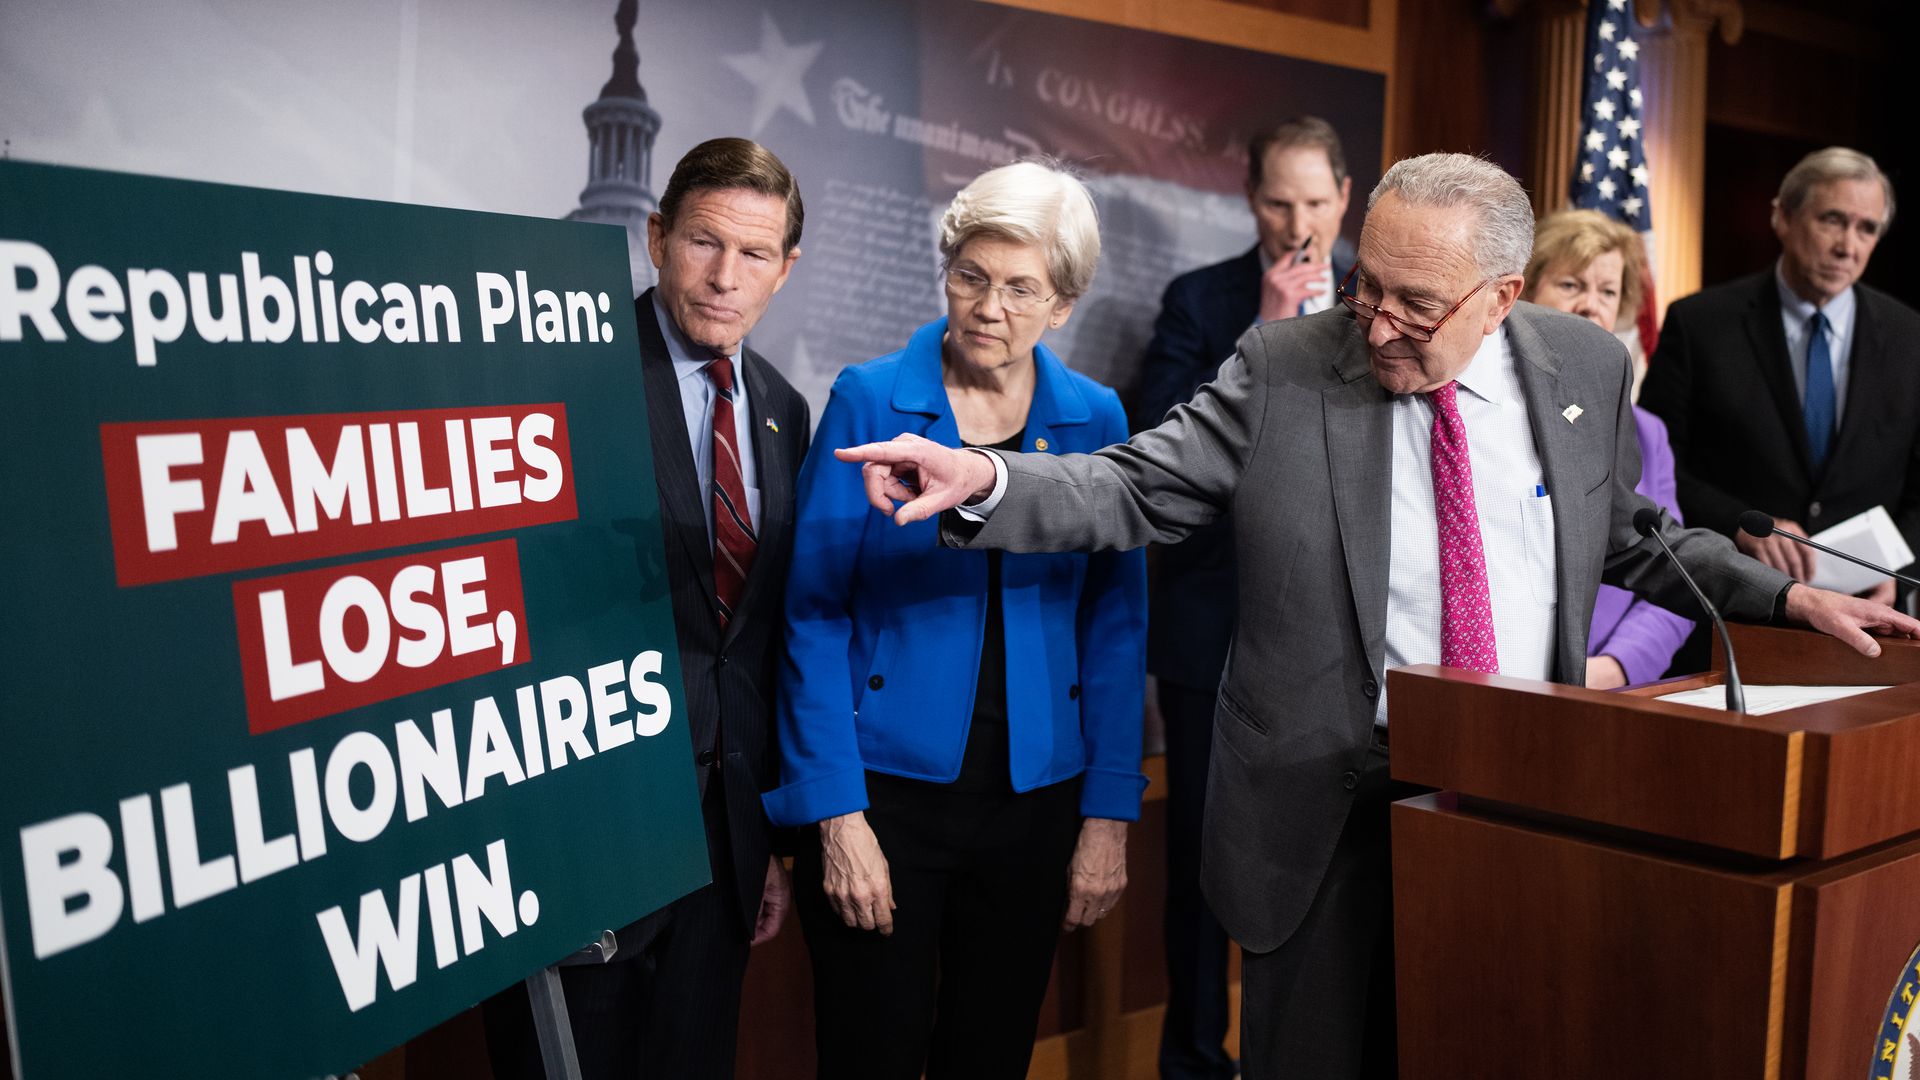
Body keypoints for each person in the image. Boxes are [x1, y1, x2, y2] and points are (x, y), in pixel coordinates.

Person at [832, 153, 1919, 1080]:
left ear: (1502, 296)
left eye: (1417, 304)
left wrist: (1780, 592)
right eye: (1368, 287)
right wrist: (983, 478)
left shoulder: (1584, 365)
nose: (1380, 323)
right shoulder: (1290, 364)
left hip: (1517, 795)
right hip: (1325, 804)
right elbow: (1130, 485)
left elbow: (1629, 531)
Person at [763, 160, 1148, 1080]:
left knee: (992, 1055)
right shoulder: (868, 396)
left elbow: (1117, 625)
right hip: (883, 799)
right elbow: (810, 612)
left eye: (1022, 288)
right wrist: (835, 815)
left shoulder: (1096, 418)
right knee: (871, 1056)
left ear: (1063, 305)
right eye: (971, 275)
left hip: (1036, 804)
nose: (988, 306)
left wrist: (1108, 812)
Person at [483, 136, 813, 1080]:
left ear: (785, 270)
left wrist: (769, 842)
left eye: (754, 255)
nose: (724, 276)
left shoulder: (786, 410)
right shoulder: (564, 381)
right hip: (584, 824)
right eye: (704, 242)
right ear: (658, 235)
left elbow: (752, 645)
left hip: (722, 842)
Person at [1132, 116, 1356, 1080]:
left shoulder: (1380, 302)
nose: (1296, 220)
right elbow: (1153, 446)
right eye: (1277, 201)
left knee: (1326, 858)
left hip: (1341, 627)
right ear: (1248, 196)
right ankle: (1191, 1061)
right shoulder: (1201, 298)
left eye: (1314, 201)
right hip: (1209, 624)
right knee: (1198, 859)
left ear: (1345, 196)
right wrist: (1256, 332)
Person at [1642, 147, 1920, 675]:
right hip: (1735, 614)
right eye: (1832, 220)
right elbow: (1657, 464)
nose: (1847, 246)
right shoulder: (1701, 324)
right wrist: (1738, 525)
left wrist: (1898, 568)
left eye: (1866, 229)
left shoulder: (1912, 337)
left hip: (1870, 621)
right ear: (1783, 217)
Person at [1523, 209, 1692, 688]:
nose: (1591, 306)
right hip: (1503, 680)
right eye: (1572, 285)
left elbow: (1671, 575)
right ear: (1523, 291)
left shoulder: (1646, 433)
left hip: (1608, 691)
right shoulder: (1485, 412)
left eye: (1608, 291)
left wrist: (1615, 668)